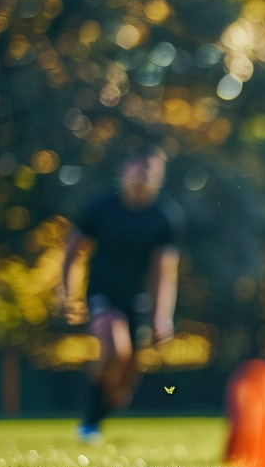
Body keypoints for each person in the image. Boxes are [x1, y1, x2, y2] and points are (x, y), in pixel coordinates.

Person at [60, 142, 183, 443]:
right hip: (102, 292)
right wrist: (67, 293)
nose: (142, 177)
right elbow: (72, 252)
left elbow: (163, 272)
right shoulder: (99, 208)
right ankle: (88, 423)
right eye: (137, 170)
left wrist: (162, 317)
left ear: (160, 177)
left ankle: (98, 414)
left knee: (122, 388)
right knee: (115, 343)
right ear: (124, 172)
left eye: (150, 172)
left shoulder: (165, 217)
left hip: (137, 300)